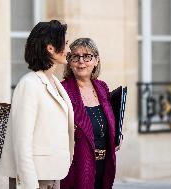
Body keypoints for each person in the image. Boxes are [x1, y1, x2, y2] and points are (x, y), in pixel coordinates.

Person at [0, 20, 75, 189]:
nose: (69, 50)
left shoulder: (55, 82)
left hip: (53, 174)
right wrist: (29, 184)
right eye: (66, 43)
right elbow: (22, 142)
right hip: (34, 179)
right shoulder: (29, 84)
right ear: (50, 48)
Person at [60, 38, 117, 189]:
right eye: (75, 57)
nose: (81, 61)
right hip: (77, 167)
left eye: (87, 56)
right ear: (69, 61)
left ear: (96, 60)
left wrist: (116, 135)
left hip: (104, 166)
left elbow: (106, 123)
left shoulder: (102, 87)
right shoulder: (62, 90)